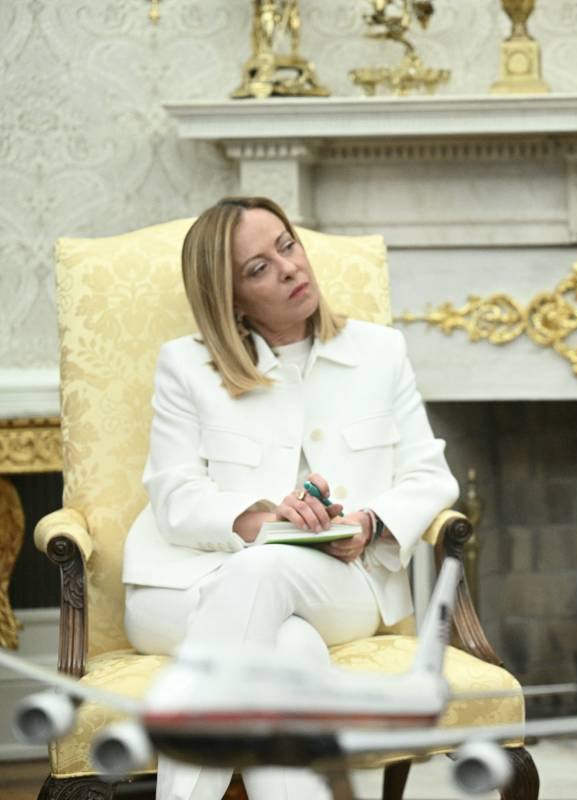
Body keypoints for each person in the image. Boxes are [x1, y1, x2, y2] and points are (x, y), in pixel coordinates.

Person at [122, 196, 459, 800]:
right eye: (258, 268)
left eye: (287, 245)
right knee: (290, 651)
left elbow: (429, 476)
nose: (289, 268)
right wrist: (264, 519)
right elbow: (173, 494)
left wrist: (368, 523)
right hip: (179, 586)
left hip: (342, 581)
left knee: (265, 575)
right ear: (231, 298)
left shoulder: (380, 351)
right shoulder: (186, 365)